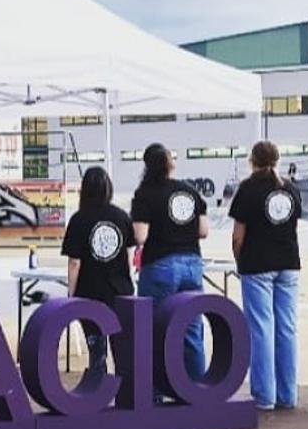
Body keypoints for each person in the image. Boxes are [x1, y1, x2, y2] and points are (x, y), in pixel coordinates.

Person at [231, 141, 302, 411]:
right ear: (278, 160)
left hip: (258, 265)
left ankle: (264, 396)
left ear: (252, 160)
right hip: (289, 263)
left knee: (261, 329)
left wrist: (240, 262)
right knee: (287, 329)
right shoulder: (291, 189)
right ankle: (288, 395)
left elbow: (238, 236)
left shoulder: (247, 189)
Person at [131, 143, 209, 381]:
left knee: (154, 328)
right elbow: (203, 231)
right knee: (192, 327)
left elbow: (140, 236)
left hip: (160, 264)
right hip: (193, 263)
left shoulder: (145, 193)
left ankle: (154, 389)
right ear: (170, 163)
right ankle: (196, 386)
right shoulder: (190, 191)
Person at [61, 167, 135, 378]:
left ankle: (99, 390)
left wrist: (71, 294)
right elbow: (128, 254)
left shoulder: (78, 219)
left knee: (96, 351)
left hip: (90, 292)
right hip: (120, 291)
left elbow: (74, 262)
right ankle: (127, 393)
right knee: (122, 347)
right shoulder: (121, 216)